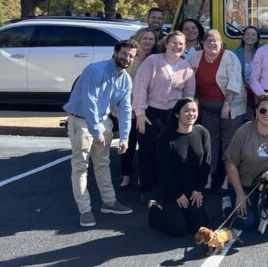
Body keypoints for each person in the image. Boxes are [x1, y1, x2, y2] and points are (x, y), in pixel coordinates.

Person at [64, 40, 138, 227]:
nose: (127, 58)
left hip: (103, 122)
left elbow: (125, 109)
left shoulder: (125, 79)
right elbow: (90, 103)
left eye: (131, 56)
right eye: (124, 54)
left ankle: (109, 202)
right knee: (80, 167)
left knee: (103, 164)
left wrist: (124, 137)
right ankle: (85, 210)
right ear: (115, 52)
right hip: (81, 121)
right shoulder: (95, 70)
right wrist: (95, 130)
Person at [133, 31, 196, 204]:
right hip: (151, 113)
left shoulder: (186, 67)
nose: (177, 47)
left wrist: (187, 118)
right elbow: (140, 88)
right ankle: (146, 189)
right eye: (174, 43)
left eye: (181, 44)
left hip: (174, 116)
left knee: (170, 154)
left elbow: (189, 96)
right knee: (147, 152)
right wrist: (140, 113)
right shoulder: (152, 62)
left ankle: (166, 189)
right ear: (167, 44)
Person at [224, 93, 268, 232]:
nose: (267, 114)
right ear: (256, 112)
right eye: (263, 110)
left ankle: (264, 206)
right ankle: (227, 205)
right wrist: (239, 193)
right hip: (244, 184)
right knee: (246, 223)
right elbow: (230, 163)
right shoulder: (243, 131)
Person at [188, 30, 248, 192]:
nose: (212, 44)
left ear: (221, 42)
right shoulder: (195, 57)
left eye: (215, 41)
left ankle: (228, 178)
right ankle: (208, 177)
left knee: (229, 142)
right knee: (209, 142)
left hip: (231, 105)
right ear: (202, 43)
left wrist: (227, 104)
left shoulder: (229, 57)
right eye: (208, 41)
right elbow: (189, 79)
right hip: (206, 106)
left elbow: (235, 80)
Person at [148, 98, 211, 236]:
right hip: (173, 191)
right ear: (177, 114)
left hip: (194, 191)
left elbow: (206, 164)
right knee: (178, 229)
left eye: (194, 110)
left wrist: (199, 189)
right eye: (186, 110)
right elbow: (163, 171)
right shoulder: (166, 138)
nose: (191, 114)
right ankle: (154, 209)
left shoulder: (202, 133)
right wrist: (177, 194)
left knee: (198, 227)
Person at [119, 27, 158, 190]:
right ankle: (126, 176)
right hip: (127, 106)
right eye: (145, 38)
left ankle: (144, 177)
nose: (148, 42)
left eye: (151, 39)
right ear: (138, 39)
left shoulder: (157, 58)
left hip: (147, 107)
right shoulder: (129, 58)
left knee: (145, 147)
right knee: (127, 144)